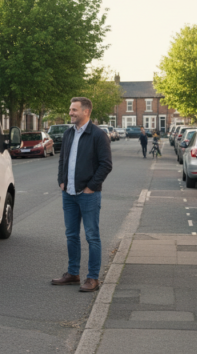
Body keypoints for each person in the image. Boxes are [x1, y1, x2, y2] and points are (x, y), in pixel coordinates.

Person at [52, 97, 113, 292]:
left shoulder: (98, 135)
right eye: (70, 109)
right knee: (71, 235)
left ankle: (92, 278)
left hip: (88, 195)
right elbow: (62, 159)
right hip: (68, 193)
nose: (70, 113)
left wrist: (91, 187)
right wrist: (61, 181)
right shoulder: (69, 133)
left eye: (74, 110)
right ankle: (73, 273)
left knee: (92, 236)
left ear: (86, 111)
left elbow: (106, 165)